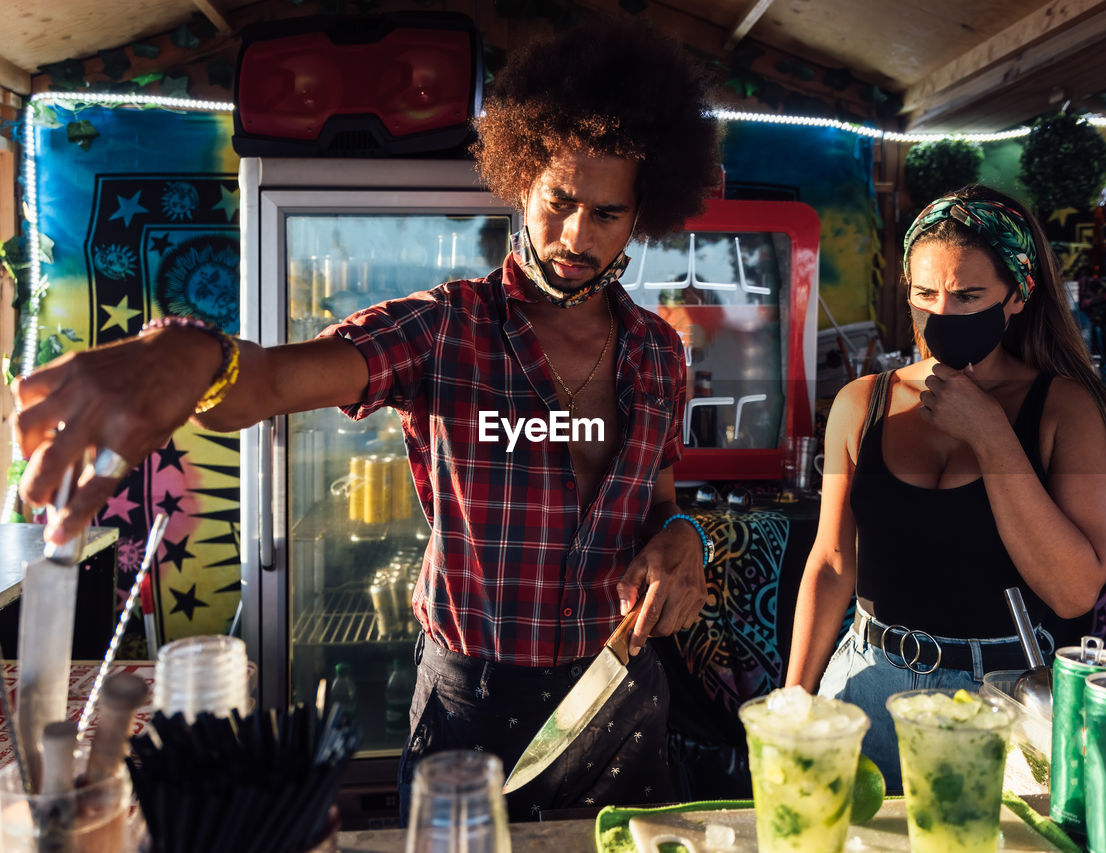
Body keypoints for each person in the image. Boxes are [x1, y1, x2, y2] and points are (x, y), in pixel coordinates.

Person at [12, 18, 722, 820]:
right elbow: (272, 381)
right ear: (522, 178)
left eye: (607, 214)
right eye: (560, 202)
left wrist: (682, 539)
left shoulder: (660, 352)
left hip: (621, 697)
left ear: (642, 214)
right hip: (472, 707)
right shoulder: (444, 328)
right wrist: (190, 356)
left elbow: (660, 502)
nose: (575, 236)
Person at [785, 185, 1106, 791]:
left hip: (999, 697)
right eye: (925, 294)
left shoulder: (1065, 409)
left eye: (968, 296)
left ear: (1017, 295)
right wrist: (793, 704)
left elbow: (1073, 591)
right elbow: (833, 563)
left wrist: (992, 438)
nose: (943, 314)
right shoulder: (862, 404)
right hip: (866, 681)